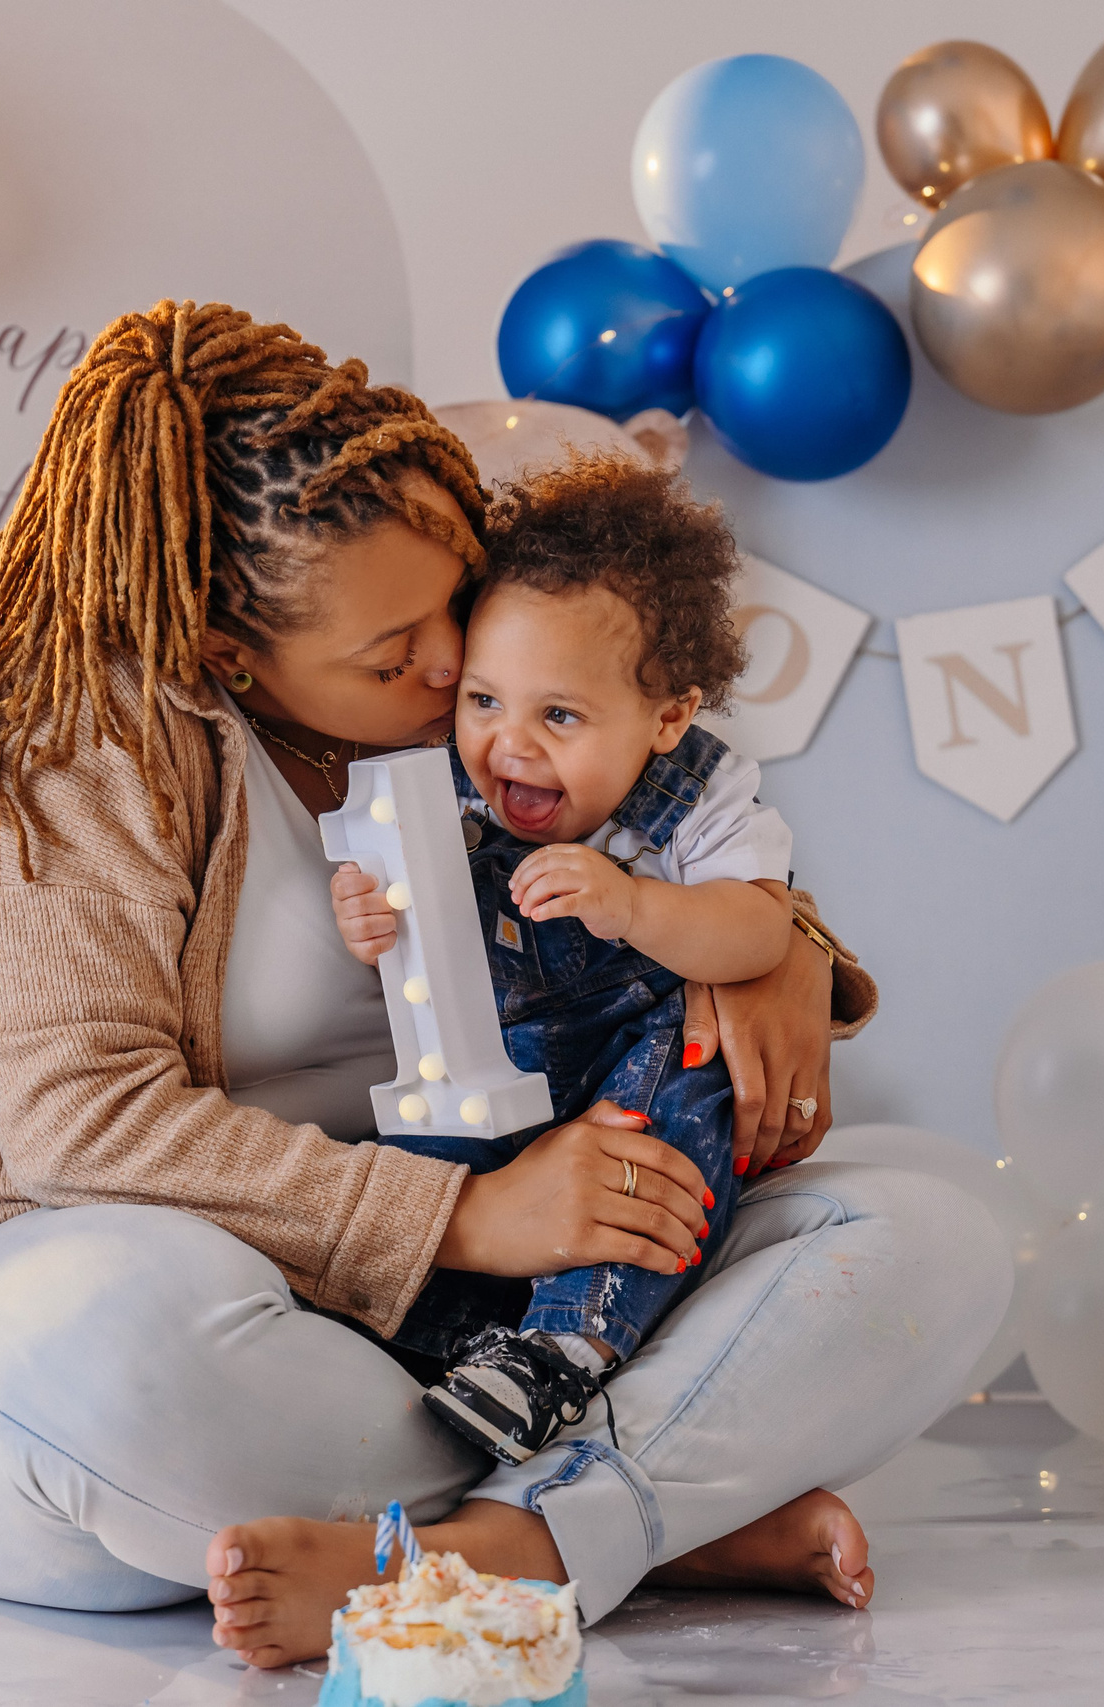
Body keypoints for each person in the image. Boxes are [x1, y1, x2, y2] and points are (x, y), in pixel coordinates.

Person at [0, 299, 1011, 1669]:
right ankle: (640, 1511)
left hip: (481, 1339)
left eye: (452, 606)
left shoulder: (479, 706)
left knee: (932, 1229)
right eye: (392, 655)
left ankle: (496, 1545)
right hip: (182, 1307)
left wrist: (784, 954)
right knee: (110, 1346)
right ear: (234, 652)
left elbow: (670, 809)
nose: (455, 668)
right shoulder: (75, 739)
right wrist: (467, 1214)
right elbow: (80, 1126)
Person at [329, 451, 828, 1466]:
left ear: (668, 717)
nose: (507, 744)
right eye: (482, 701)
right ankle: (437, 1340)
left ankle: (567, 1347)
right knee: (417, 1159)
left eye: (557, 716)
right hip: (501, 1067)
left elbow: (757, 931)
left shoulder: (702, 796)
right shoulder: (442, 784)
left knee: (686, 1102)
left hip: (628, 1062)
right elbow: (394, 898)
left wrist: (637, 905)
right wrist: (368, 911)